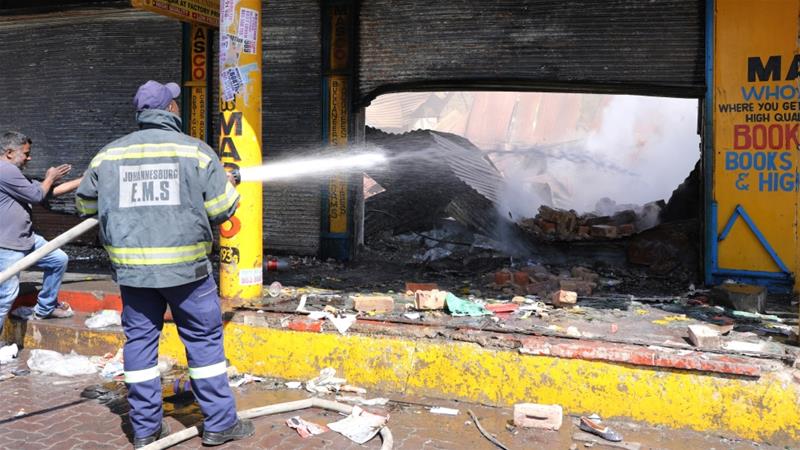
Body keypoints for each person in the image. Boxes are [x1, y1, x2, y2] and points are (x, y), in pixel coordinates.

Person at [76, 80, 253, 448]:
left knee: (140, 347)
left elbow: (87, 208)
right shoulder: (197, 153)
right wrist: (229, 183)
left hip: (134, 274)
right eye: (176, 103)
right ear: (171, 110)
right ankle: (220, 424)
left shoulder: (108, 155)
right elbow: (222, 211)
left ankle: (146, 431)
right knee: (203, 344)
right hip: (187, 273)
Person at [0, 131, 81, 341]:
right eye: (26, 154)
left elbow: (47, 192)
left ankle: (45, 308)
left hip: (26, 239)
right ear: (9, 152)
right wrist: (50, 177)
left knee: (58, 259)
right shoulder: (5, 170)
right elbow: (36, 195)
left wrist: (85, 179)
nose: (29, 158)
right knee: (5, 297)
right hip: (7, 245)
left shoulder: (13, 173)